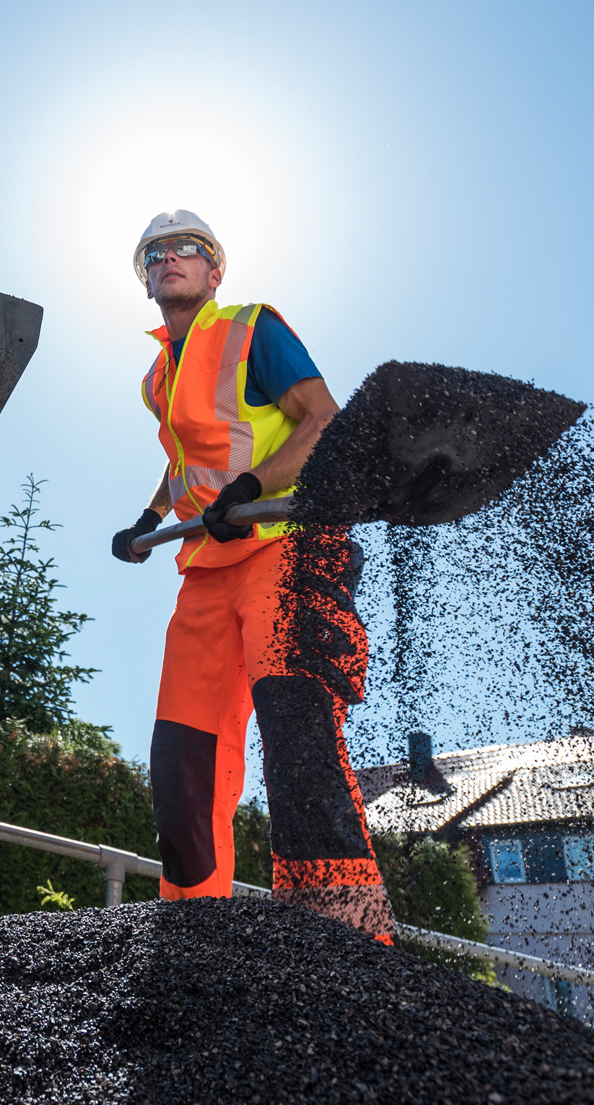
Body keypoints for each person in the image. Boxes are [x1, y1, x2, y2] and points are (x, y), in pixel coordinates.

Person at [110, 211, 394, 943]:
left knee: (295, 730)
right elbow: (186, 463)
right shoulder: (157, 377)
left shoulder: (251, 329)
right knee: (182, 762)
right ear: (146, 279)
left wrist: (254, 486)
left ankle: (344, 934)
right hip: (206, 569)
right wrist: (147, 517)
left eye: (187, 249)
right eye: (155, 254)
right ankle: (195, 934)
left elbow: (323, 418)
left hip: (287, 546)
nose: (169, 258)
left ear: (214, 270)